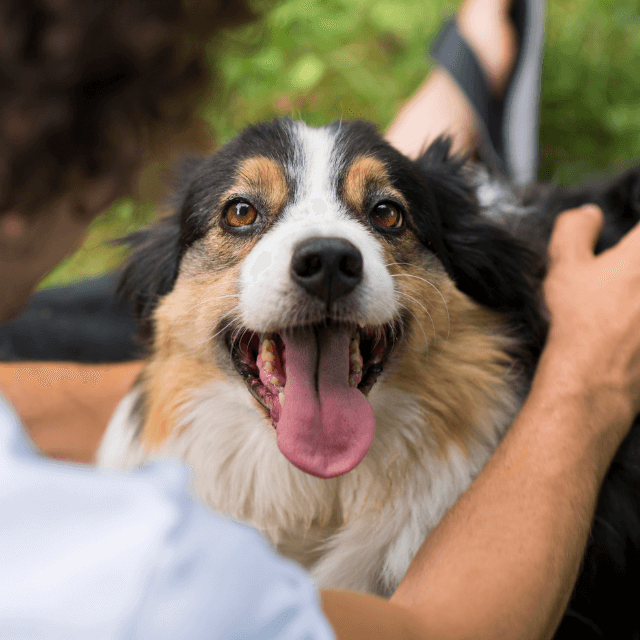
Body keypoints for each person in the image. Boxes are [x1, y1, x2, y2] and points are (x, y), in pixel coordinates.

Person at [1, 0, 639, 639]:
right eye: (243, 214)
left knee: (29, 336)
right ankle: (433, 149)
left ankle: (427, 159)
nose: (329, 252)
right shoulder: (159, 579)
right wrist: (588, 377)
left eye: (383, 215)